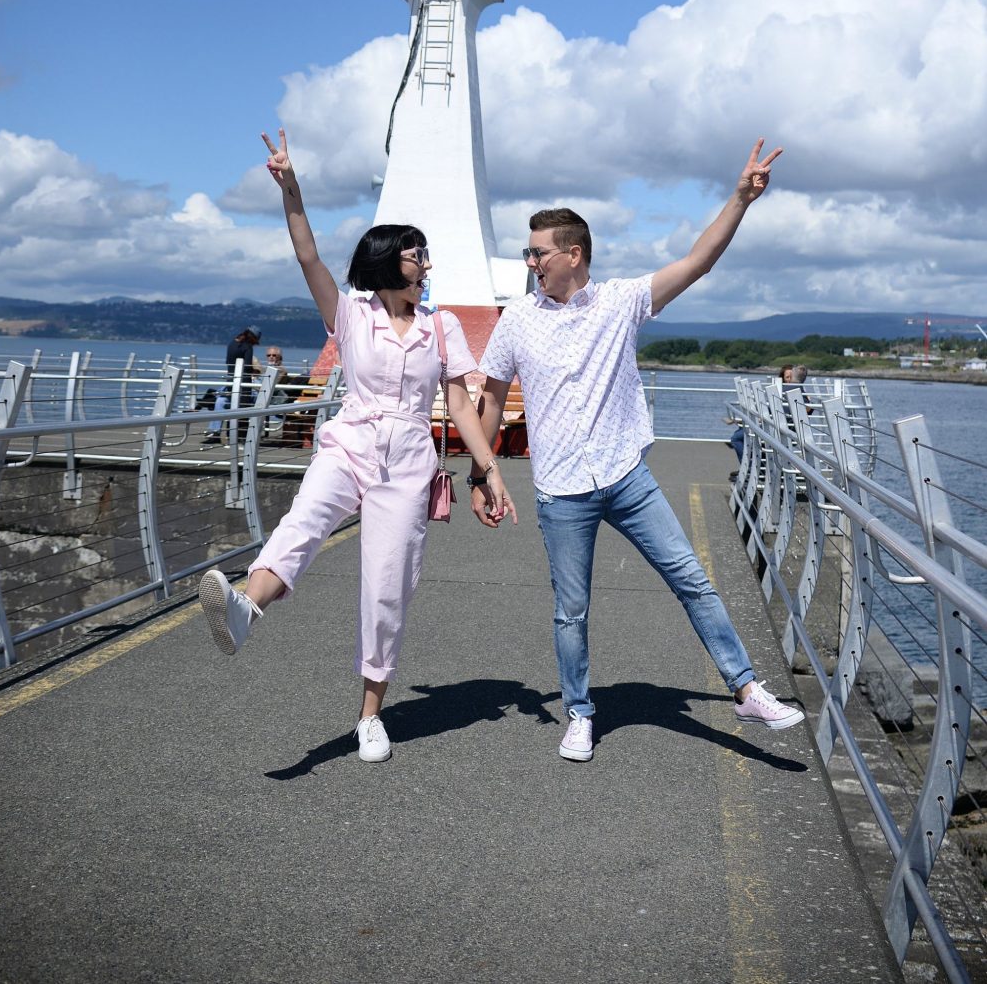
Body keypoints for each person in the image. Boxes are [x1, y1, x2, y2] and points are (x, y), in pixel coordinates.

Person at [471, 140, 804, 762]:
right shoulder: (516, 319)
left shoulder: (623, 301)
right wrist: (481, 473)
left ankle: (746, 688)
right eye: (528, 252)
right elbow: (490, 398)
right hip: (562, 489)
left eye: (537, 252)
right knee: (571, 611)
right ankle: (579, 713)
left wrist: (741, 198)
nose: (530, 261)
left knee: (692, 580)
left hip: (626, 476)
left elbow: (699, 261)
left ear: (573, 253)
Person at [198, 128, 515, 762]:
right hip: (350, 441)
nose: (424, 262)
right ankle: (243, 609)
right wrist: (292, 190)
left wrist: (489, 469)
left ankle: (371, 714)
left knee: (387, 586)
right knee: (304, 521)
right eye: (414, 254)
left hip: (408, 461)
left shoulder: (441, 325)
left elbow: (457, 403)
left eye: (425, 254)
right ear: (386, 261)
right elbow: (308, 256)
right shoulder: (350, 314)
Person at [201, 323, 263, 446]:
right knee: (244, 409)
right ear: (253, 338)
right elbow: (247, 366)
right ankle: (241, 438)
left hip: (231, 382)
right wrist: (254, 371)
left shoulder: (232, 344)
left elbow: (228, 362)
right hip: (243, 384)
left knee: (225, 403)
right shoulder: (247, 347)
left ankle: (218, 433)